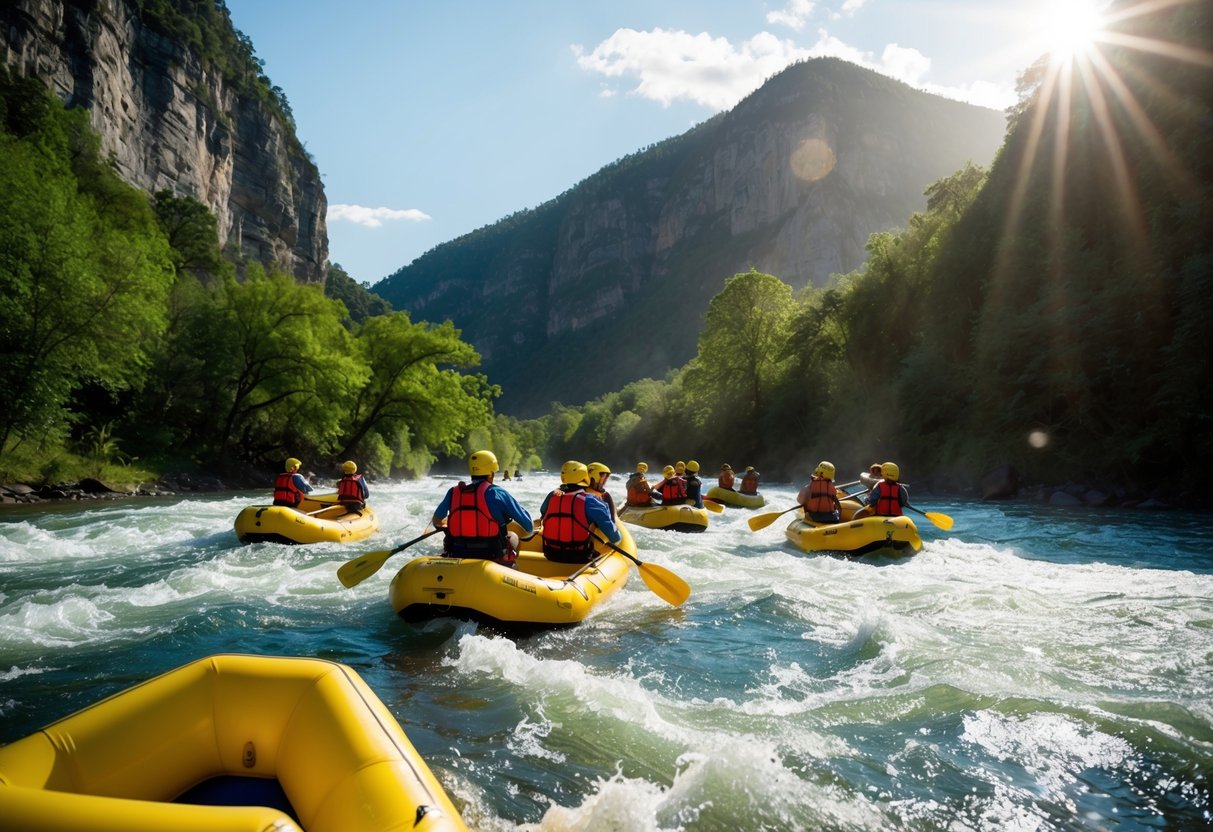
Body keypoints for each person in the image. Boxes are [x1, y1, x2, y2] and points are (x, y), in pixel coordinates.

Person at [432, 450, 534, 566]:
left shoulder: (453, 493)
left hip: (458, 552)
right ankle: (513, 571)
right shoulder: (498, 493)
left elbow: (436, 520)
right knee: (513, 536)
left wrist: (451, 525)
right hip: (491, 555)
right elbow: (529, 527)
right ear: (490, 474)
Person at [539, 461, 622, 563]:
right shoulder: (591, 500)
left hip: (551, 553)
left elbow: (543, 513)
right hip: (579, 557)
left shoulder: (552, 496)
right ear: (585, 477)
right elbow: (615, 538)